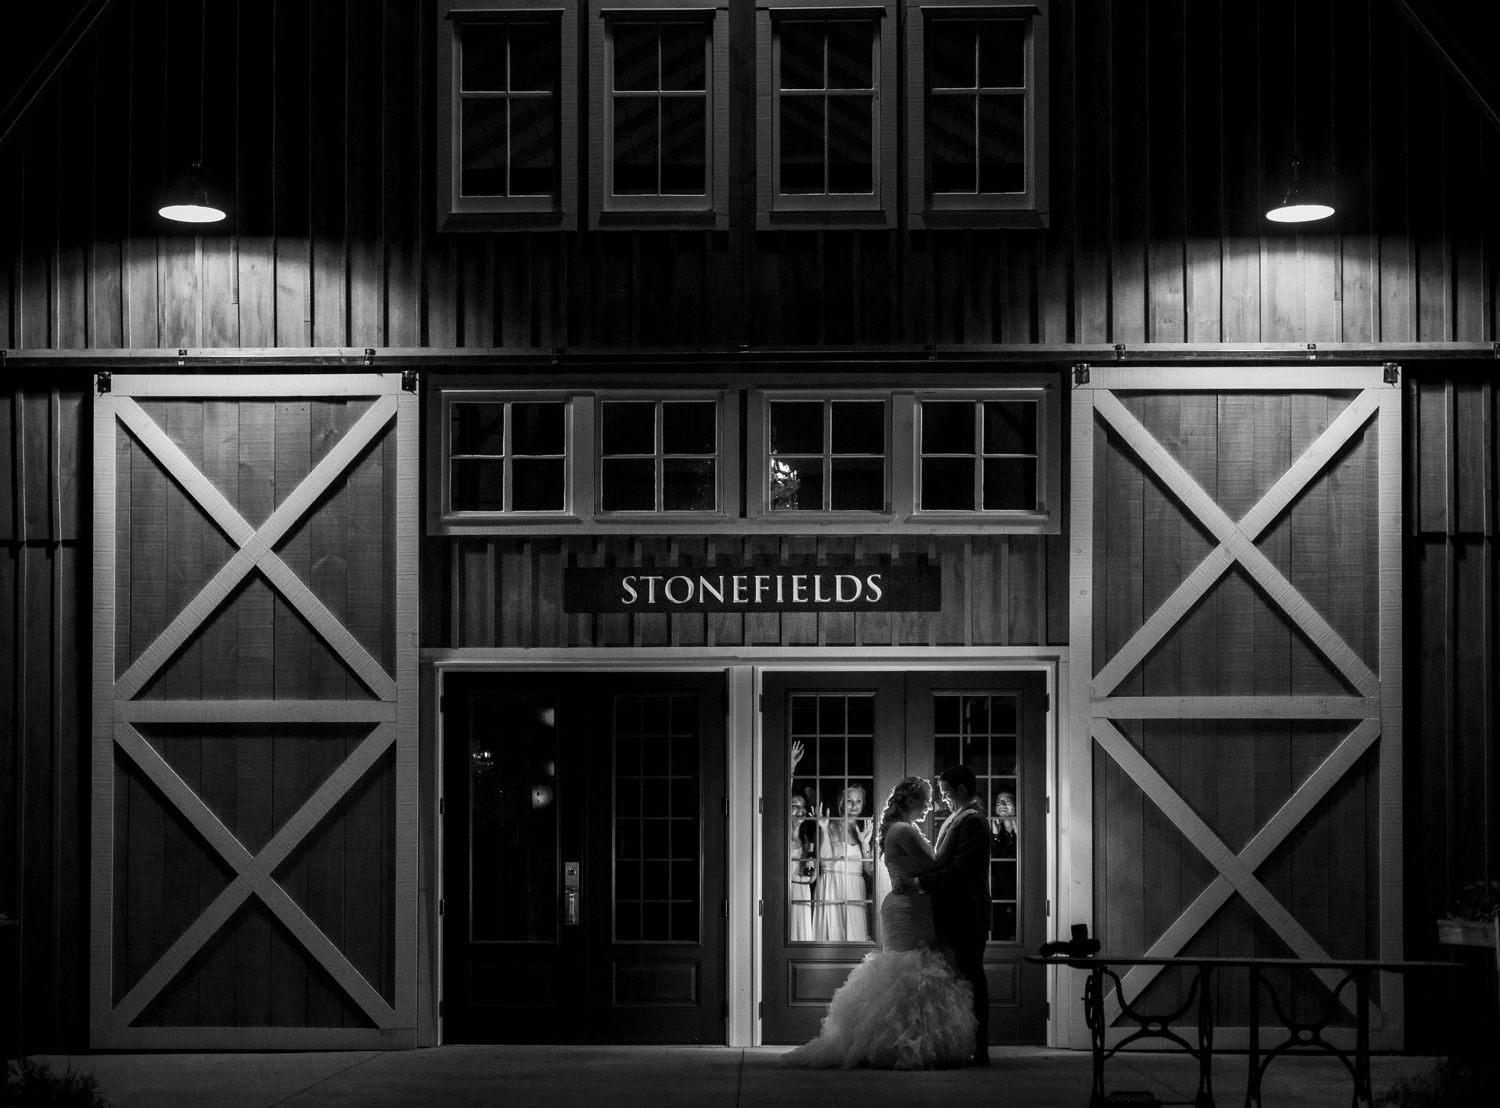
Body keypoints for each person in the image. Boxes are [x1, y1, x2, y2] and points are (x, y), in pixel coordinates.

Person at [782, 777, 978, 1069]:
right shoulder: (901, 830)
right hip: (906, 907)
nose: (928, 806)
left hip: (914, 904)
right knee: (910, 970)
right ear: (909, 801)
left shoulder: (903, 829)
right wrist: (956, 823)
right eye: (924, 800)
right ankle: (897, 1042)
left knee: (913, 970)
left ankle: (917, 1039)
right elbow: (937, 862)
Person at [899, 765, 994, 1066]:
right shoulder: (959, 819)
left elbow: (962, 871)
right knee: (958, 979)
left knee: (971, 977)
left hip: (968, 914)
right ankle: (960, 1043)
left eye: (946, 793)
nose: (943, 800)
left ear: (962, 790)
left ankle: (981, 1048)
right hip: (953, 913)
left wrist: (919, 883)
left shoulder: (974, 822)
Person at [813, 785, 874, 941]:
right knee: (832, 936)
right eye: (849, 801)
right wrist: (824, 830)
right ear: (841, 803)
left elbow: (869, 870)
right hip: (832, 885)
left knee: (853, 937)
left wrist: (865, 843)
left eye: (858, 801)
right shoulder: (830, 825)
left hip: (855, 887)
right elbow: (825, 861)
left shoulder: (865, 828)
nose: (854, 805)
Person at [788, 792, 817, 941]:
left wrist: (814, 870)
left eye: (803, 806)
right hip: (788, 892)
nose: (801, 810)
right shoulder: (782, 839)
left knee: (802, 935)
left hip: (804, 892)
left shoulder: (807, 841)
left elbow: (811, 879)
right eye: (795, 806)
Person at [990, 790, 1017, 857]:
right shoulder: (992, 831)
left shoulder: (1025, 828)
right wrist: (995, 836)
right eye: (999, 803)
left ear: (1016, 806)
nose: (1002, 805)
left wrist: (1017, 835)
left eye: (1008, 802)